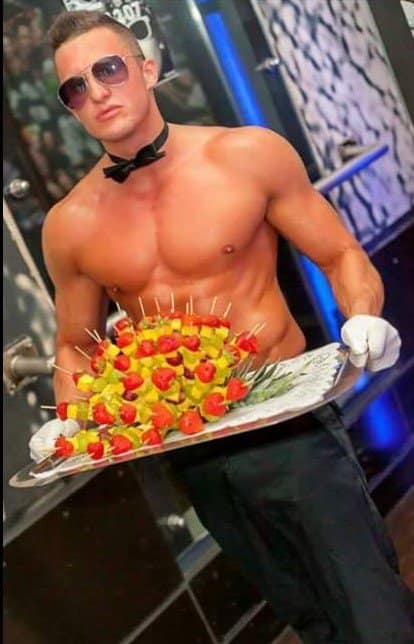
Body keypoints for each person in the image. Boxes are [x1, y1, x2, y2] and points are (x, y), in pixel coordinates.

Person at [29, 10, 413, 643]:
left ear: (147, 68)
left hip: (288, 419)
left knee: (372, 609)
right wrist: (69, 419)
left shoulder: (246, 154)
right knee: (308, 616)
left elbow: (340, 254)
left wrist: (365, 315)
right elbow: (74, 344)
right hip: (190, 446)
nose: (96, 92)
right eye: (75, 86)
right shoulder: (69, 224)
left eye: (108, 69)